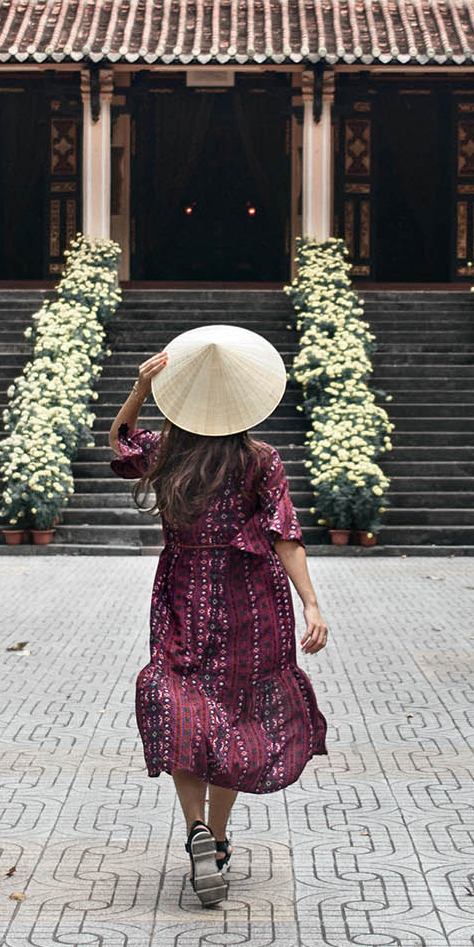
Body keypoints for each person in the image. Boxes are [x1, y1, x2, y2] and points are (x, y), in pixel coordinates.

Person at [108, 324, 328, 908]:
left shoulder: (168, 451)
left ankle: (195, 829)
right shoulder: (261, 459)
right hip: (250, 600)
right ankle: (221, 838)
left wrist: (138, 388)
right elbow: (285, 535)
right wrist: (310, 602)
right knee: (240, 713)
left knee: (180, 701)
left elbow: (121, 441)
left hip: (183, 591)